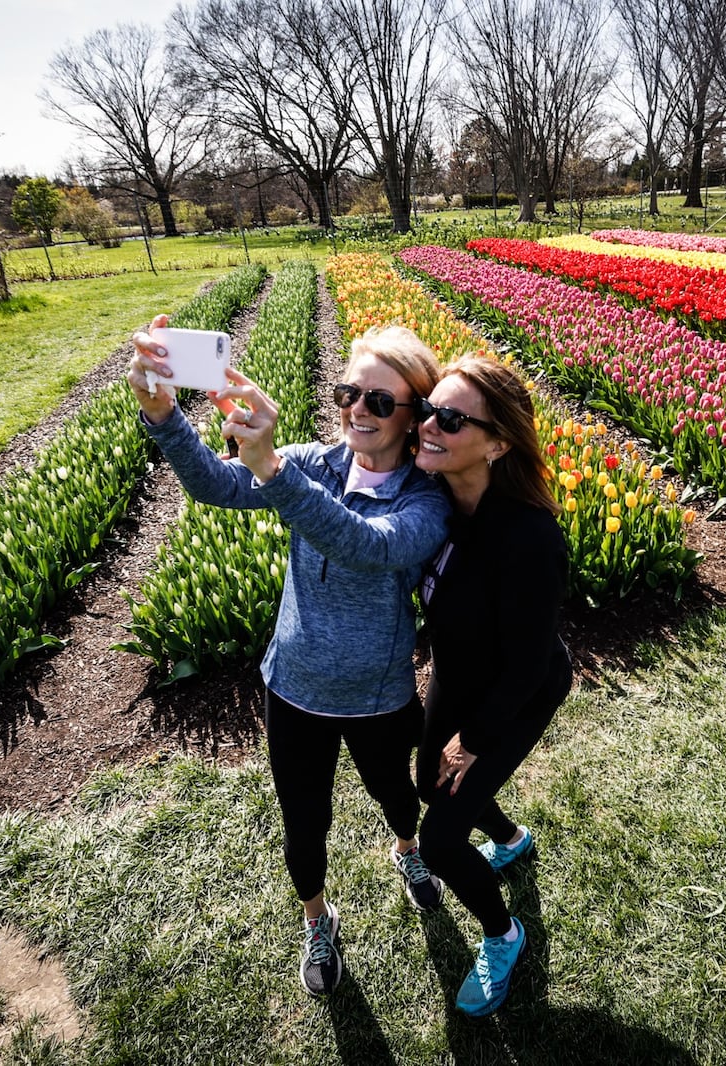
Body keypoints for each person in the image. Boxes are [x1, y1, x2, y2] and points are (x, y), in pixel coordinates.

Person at [128, 318, 450, 998]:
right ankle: (316, 917)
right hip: (295, 687)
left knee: (397, 794)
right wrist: (164, 418)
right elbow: (217, 485)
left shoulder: (427, 500)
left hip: (378, 694)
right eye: (349, 394)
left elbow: (369, 545)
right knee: (304, 825)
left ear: (413, 414)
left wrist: (271, 468)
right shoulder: (313, 465)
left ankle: (407, 849)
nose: (358, 411)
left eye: (380, 401)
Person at [411, 355, 573, 1017]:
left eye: (450, 419)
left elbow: (531, 661)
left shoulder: (530, 538)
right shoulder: (434, 500)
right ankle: (510, 841)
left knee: (440, 840)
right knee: (429, 783)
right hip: (457, 670)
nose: (428, 426)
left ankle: (504, 935)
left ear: (499, 443)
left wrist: (473, 741)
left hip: (518, 686)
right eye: (428, 410)